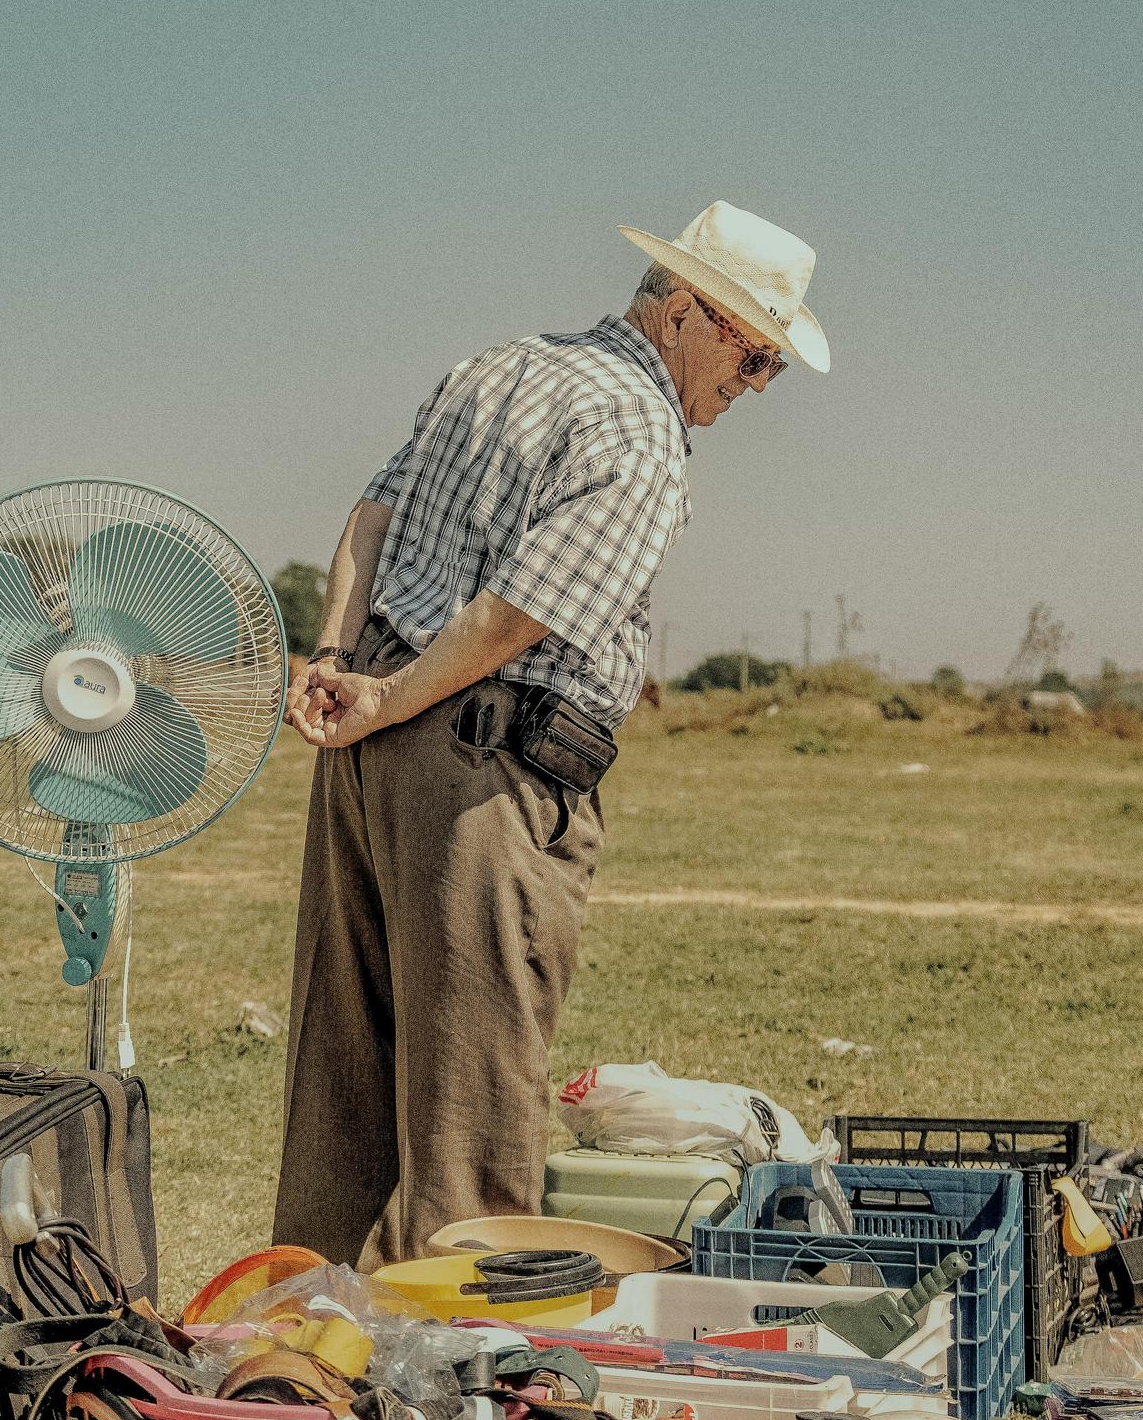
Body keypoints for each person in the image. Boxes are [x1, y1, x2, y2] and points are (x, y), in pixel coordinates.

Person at [271, 199, 831, 1270]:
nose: (753, 388)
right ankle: (447, 1392)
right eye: (753, 357)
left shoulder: (501, 365)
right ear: (683, 316)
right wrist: (390, 699)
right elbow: (516, 614)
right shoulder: (640, 435)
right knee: (470, 1113)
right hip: (481, 771)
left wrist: (339, 659)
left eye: (770, 370)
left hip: (372, 750)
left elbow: (372, 513)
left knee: (342, 1082)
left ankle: (308, 1355)